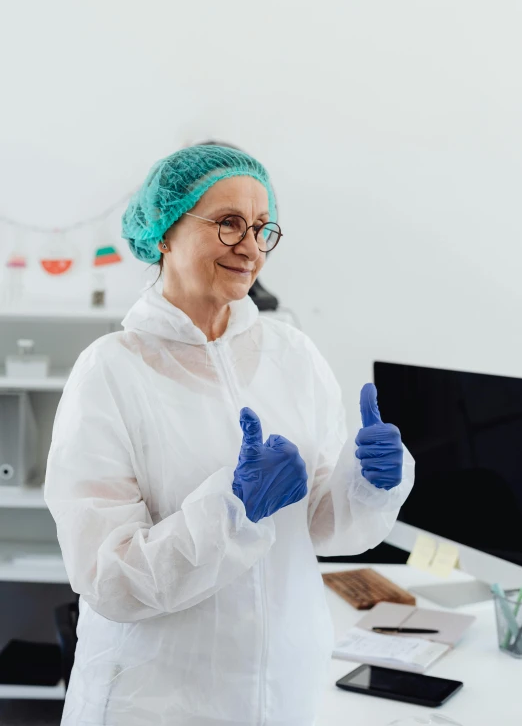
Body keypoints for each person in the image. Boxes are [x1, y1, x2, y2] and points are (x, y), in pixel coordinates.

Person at [45, 144, 414, 726]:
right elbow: (107, 579)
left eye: (262, 228)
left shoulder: (292, 354)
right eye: (228, 224)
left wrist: (367, 483)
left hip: (285, 689)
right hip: (160, 699)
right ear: (164, 233)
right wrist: (232, 509)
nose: (250, 246)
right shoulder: (110, 372)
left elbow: (320, 525)